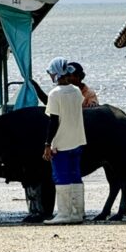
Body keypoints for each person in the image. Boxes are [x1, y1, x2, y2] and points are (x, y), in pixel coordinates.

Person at [43, 57, 87, 224]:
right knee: (76, 175)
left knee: (61, 177)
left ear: (56, 73)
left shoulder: (54, 94)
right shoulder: (76, 91)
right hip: (77, 139)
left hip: (61, 142)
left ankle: (63, 214)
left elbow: (53, 121)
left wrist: (48, 144)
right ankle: (77, 213)